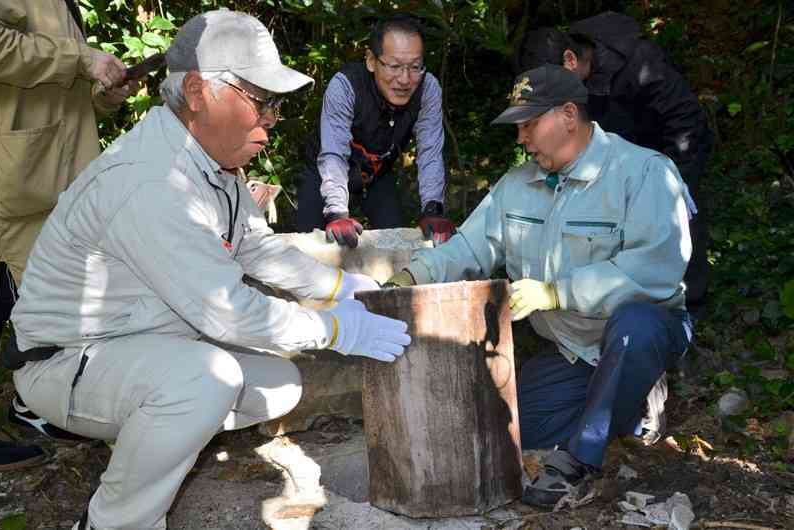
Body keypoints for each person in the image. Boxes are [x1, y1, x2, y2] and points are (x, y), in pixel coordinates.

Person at [6, 10, 410, 529]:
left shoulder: (211, 166)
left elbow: (256, 250)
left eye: (275, 106)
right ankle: (116, 520)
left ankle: (155, 442)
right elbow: (231, 314)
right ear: (197, 90)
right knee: (204, 381)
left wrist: (341, 285)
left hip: (138, 340)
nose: (270, 120)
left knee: (278, 384)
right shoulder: (152, 182)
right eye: (261, 101)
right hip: (66, 360)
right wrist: (335, 328)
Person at [385, 65, 693, 508]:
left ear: (569, 114)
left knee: (636, 327)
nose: (520, 138)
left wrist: (556, 292)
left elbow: (654, 270)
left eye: (528, 124)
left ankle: (581, 463)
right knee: (511, 430)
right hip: (572, 347)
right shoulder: (518, 184)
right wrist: (412, 276)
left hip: (638, 331)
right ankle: (632, 406)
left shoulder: (643, 172)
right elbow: (470, 247)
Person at [0, 0, 138, 461]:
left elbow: (60, 82)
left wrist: (104, 94)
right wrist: (81, 59)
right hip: (14, 177)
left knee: (53, 299)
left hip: (58, 175)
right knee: (3, 295)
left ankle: (33, 406)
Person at [516, 12, 713, 309]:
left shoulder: (638, 60)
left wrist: (670, 179)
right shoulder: (580, 78)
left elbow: (685, 122)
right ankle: (621, 300)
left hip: (671, 151)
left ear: (570, 60)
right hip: (621, 159)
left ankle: (687, 305)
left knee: (675, 221)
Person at [296, 13, 455, 248]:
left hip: (377, 174)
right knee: (312, 246)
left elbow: (430, 151)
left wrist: (433, 208)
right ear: (371, 60)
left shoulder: (428, 87)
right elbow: (333, 153)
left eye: (414, 67)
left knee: (397, 243)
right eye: (394, 66)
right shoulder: (346, 85)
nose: (404, 79)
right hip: (327, 172)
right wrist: (337, 214)